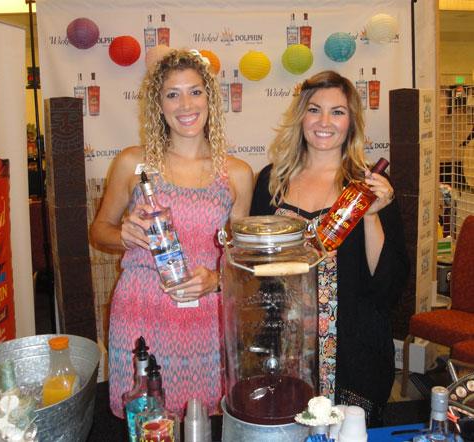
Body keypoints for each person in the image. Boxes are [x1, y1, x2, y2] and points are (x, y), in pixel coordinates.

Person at [90, 49, 253, 418]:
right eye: (172, 94)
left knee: (206, 422)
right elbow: (99, 231)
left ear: (210, 99)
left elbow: (241, 260)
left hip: (206, 320)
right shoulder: (133, 163)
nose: (186, 105)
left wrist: (216, 280)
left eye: (195, 92)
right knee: (146, 422)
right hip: (141, 311)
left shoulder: (237, 173)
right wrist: (124, 236)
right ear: (158, 105)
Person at [250, 70, 408, 426]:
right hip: (283, 350)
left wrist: (371, 216)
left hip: (354, 356)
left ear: (351, 122)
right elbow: (256, 271)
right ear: (300, 116)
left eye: (337, 112)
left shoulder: (370, 185)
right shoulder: (271, 182)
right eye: (314, 110)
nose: (324, 122)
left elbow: (388, 286)